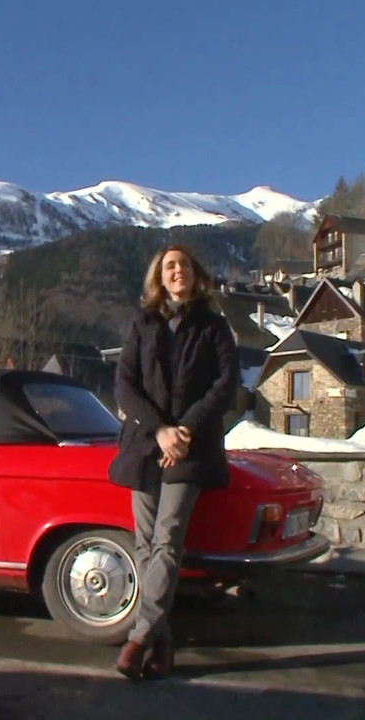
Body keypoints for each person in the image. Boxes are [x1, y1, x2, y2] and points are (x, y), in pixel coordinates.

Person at [107, 243, 240, 681]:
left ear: (195, 273)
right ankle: (162, 643)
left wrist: (184, 431)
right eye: (169, 266)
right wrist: (160, 430)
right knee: (144, 546)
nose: (178, 270)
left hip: (192, 446)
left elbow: (225, 385)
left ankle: (140, 636)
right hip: (145, 444)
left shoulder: (213, 325)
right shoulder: (143, 323)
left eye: (184, 264)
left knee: (166, 540)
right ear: (159, 278)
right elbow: (125, 385)